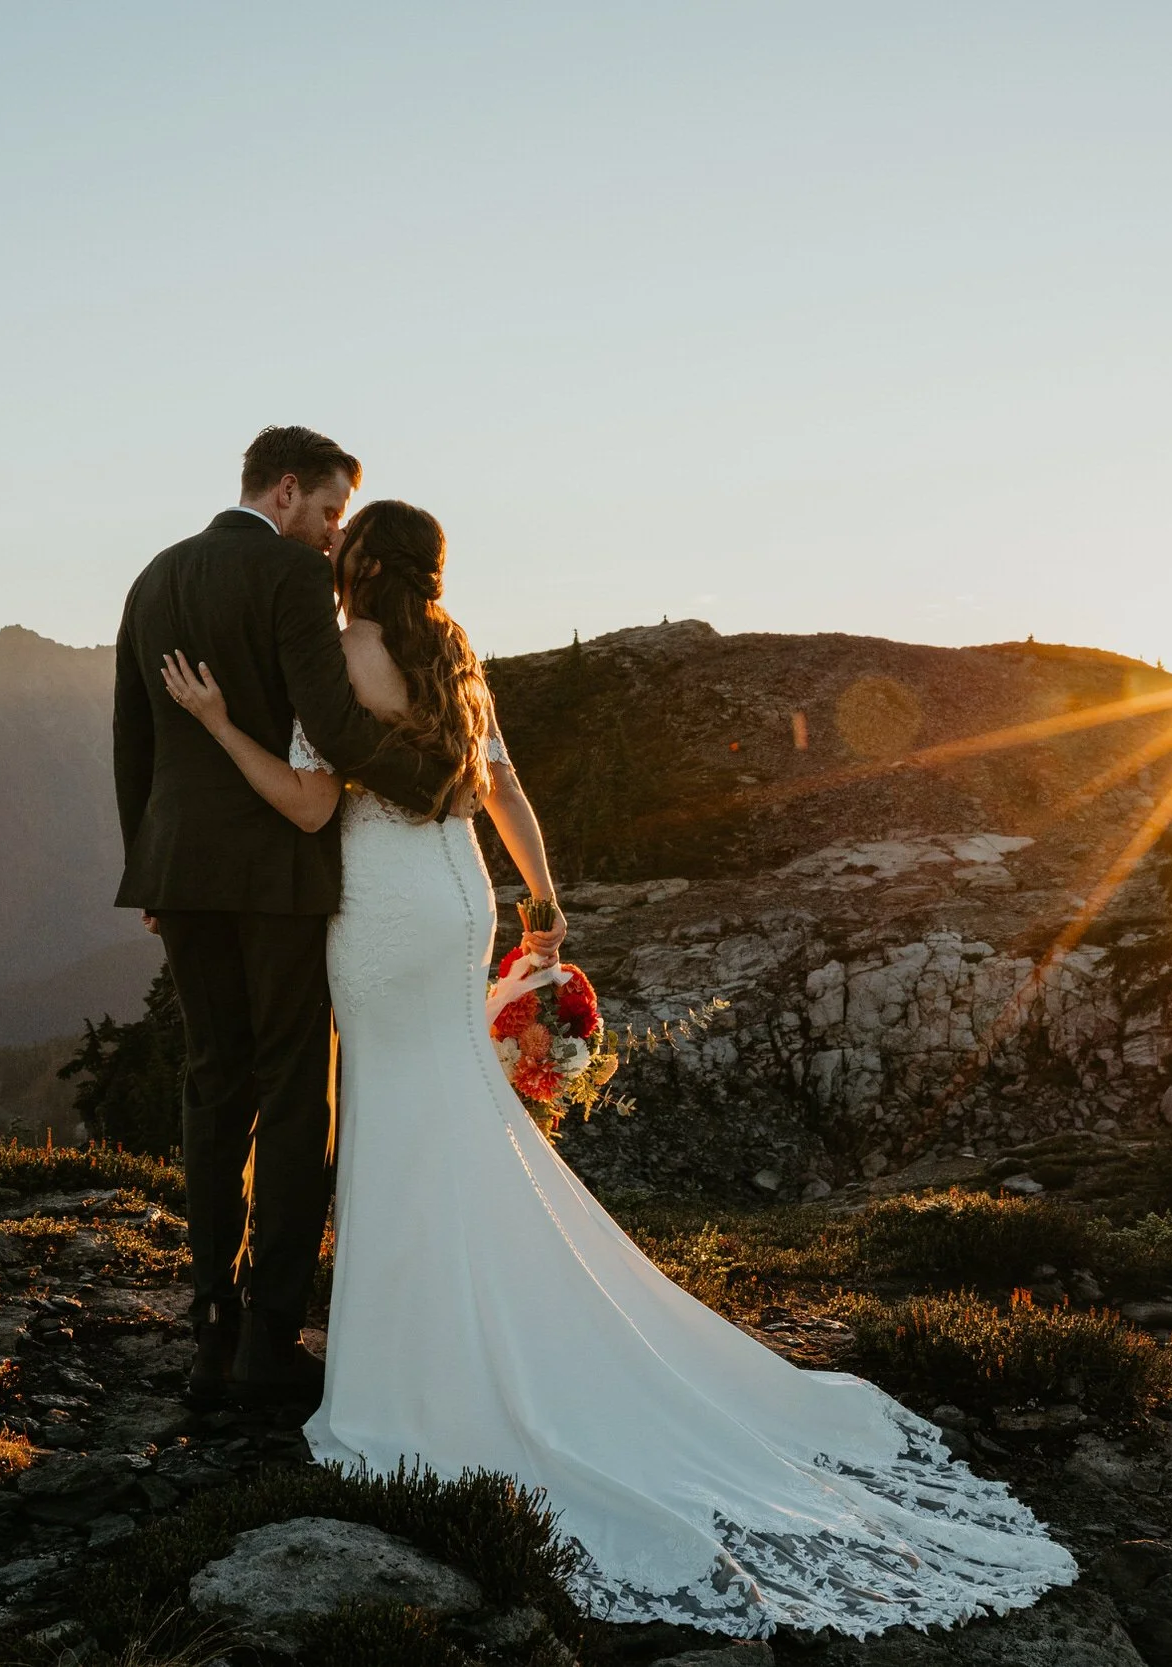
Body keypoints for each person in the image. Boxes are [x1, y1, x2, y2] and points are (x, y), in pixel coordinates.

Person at [153, 493, 1076, 1638]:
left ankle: (413, 1365)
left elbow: (303, 801)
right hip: (457, 904)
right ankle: (483, 1316)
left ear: (363, 564)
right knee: (452, 1108)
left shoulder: (337, 659)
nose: (327, 559)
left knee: (395, 1115)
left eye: (340, 548)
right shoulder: (455, 656)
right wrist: (543, 903)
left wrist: (213, 722)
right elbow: (504, 792)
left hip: (382, 914)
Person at [112, 426, 456, 1415]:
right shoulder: (289, 578)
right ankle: (269, 1339)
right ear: (291, 488)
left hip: (180, 864)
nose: (331, 536)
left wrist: (149, 865)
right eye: (331, 512)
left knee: (212, 1083)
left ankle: (208, 1329)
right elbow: (337, 728)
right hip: (277, 867)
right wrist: (437, 783)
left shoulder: (156, 576)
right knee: (296, 1093)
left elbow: (134, 732)